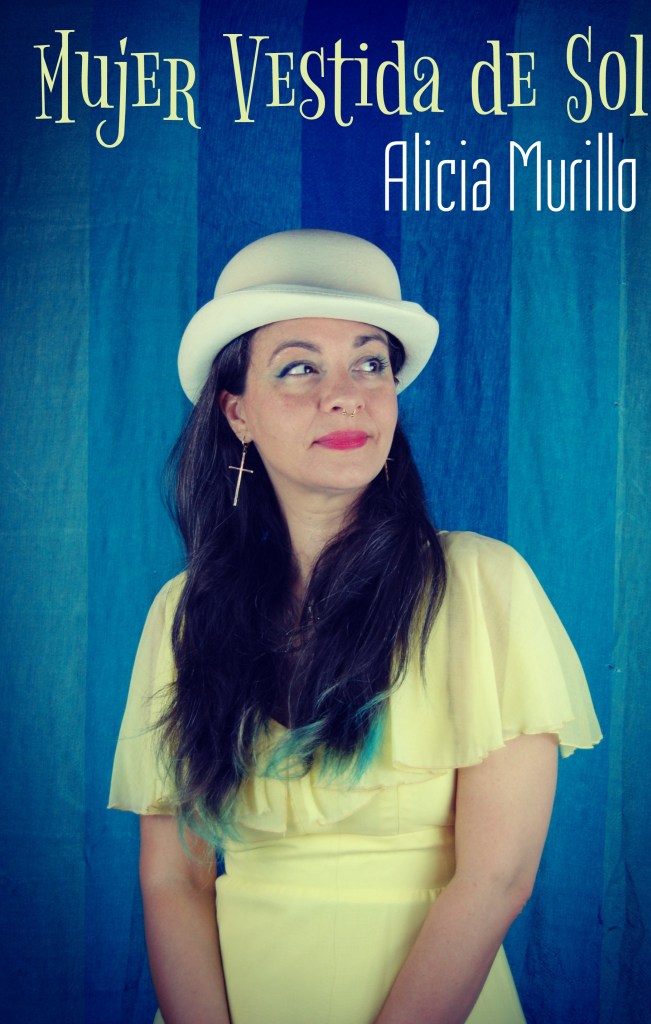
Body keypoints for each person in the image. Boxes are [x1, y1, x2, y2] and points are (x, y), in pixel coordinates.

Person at [109, 229, 602, 1024]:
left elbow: (496, 880)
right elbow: (174, 879)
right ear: (236, 412)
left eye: (369, 364)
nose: (345, 395)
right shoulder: (183, 612)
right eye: (299, 367)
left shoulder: (481, 583)